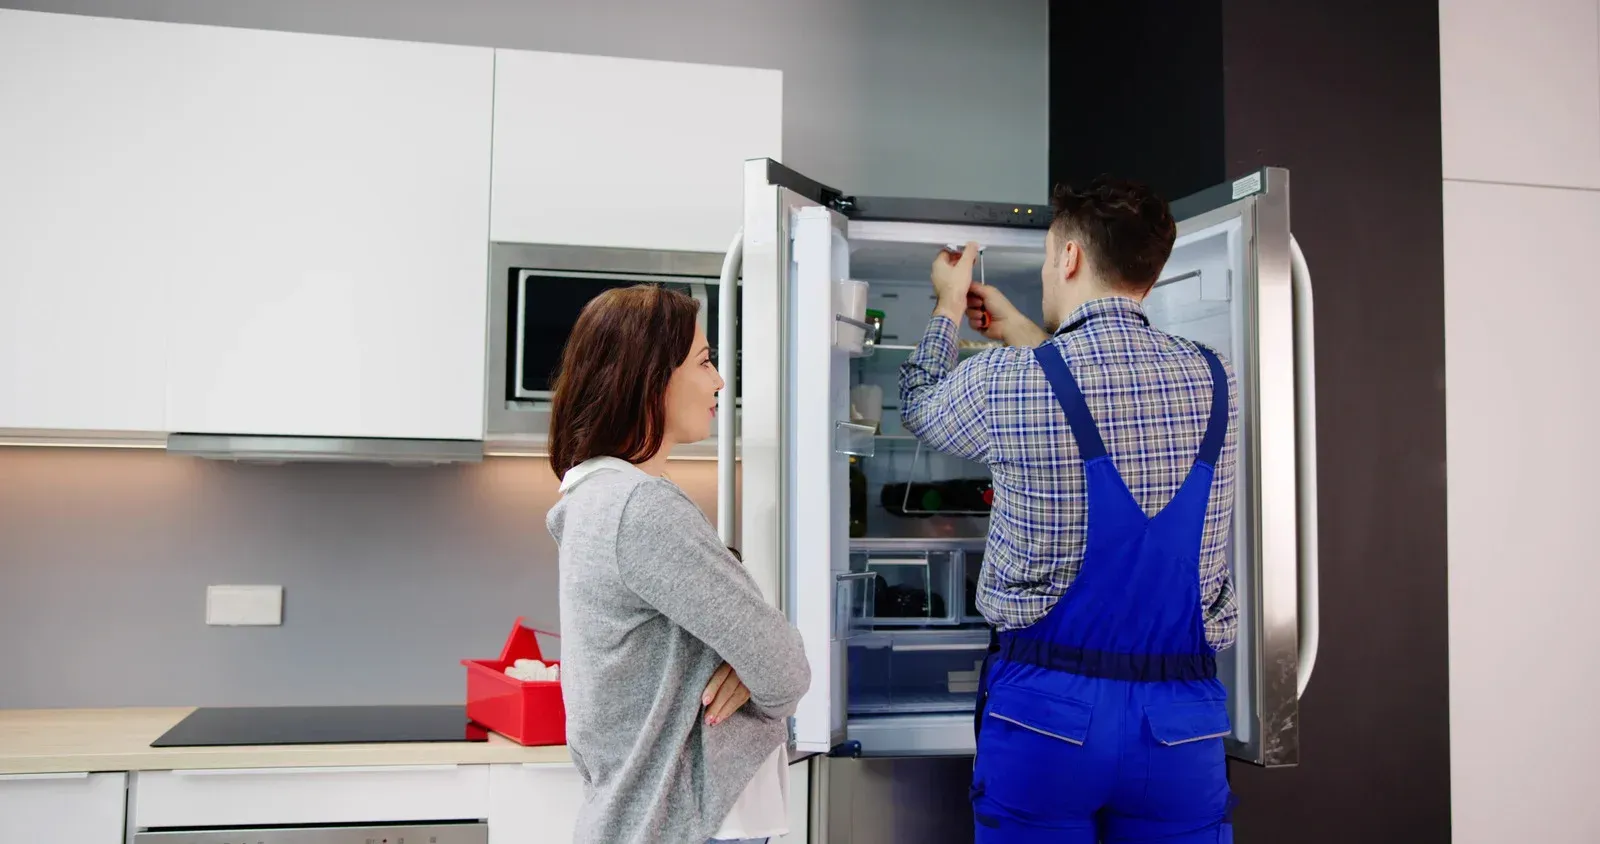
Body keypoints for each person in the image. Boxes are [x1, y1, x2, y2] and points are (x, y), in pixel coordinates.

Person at [899, 176, 1240, 842]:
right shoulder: (1216, 374)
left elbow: (919, 402)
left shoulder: (1009, 381)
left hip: (1046, 719)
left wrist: (947, 305)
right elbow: (1103, 392)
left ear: (1072, 258)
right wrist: (1015, 328)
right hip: (1181, 727)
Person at [546, 284, 811, 844]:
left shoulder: (597, 497)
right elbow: (785, 668)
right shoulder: (641, 509)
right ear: (650, 377)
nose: (718, 381)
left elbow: (756, 656)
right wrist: (754, 661)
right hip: (689, 828)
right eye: (705, 361)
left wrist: (748, 660)